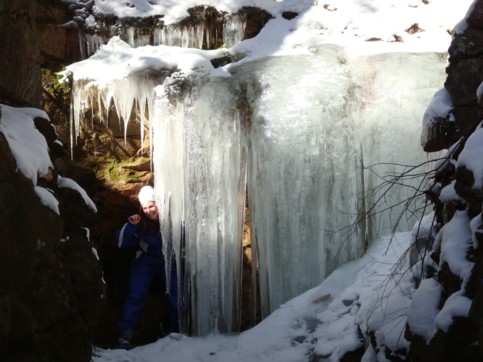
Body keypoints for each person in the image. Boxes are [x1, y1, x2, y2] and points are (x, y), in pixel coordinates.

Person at [115, 185, 179, 350]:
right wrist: (130, 225)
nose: (149, 210)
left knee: (176, 296)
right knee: (136, 295)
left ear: (158, 204)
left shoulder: (173, 220)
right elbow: (121, 243)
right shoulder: (138, 222)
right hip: (144, 263)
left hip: (168, 263)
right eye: (145, 207)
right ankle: (125, 335)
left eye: (152, 206)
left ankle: (170, 328)